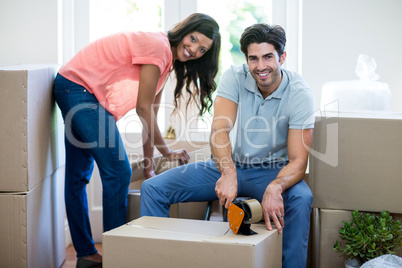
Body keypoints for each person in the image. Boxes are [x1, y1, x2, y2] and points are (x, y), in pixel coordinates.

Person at [140, 23, 314, 268]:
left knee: (301, 197)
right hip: (228, 164)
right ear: (246, 59)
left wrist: (275, 187)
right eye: (253, 58)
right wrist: (228, 171)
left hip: (271, 172)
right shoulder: (235, 76)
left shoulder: (299, 94)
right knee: (153, 189)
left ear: (282, 57)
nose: (261, 66)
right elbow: (219, 130)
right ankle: (156, 262)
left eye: (268, 57)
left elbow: (298, 161)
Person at [53, 13, 221, 268]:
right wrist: (166, 152)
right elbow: (143, 108)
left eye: (202, 49)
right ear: (184, 29)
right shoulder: (159, 47)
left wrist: (148, 164)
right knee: (118, 172)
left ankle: (86, 255)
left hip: (72, 86)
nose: (194, 49)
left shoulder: (165, 63)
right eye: (193, 38)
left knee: (77, 177)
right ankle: (119, 258)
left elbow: (150, 112)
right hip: (79, 90)